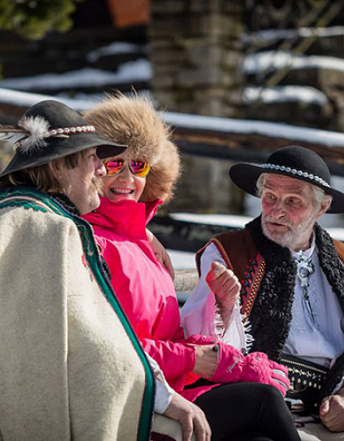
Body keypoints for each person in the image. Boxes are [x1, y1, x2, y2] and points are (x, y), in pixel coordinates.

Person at [0, 100, 191, 441]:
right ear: (58, 167)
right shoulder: (42, 233)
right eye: (93, 158)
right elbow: (88, 345)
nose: (101, 170)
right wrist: (163, 395)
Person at [82, 94, 301, 441]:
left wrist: (224, 334)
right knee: (264, 401)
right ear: (92, 168)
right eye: (113, 163)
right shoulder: (89, 242)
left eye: (138, 165)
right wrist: (202, 360)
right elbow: (108, 345)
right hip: (128, 401)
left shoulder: (143, 243)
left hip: (168, 390)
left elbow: (166, 335)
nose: (126, 177)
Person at [182, 146, 344, 440]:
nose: (276, 211)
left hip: (332, 412)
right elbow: (201, 347)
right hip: (260, 413)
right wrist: (225, 308)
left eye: (293, 201)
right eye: (269, 197)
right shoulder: (228, 253)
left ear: (322, 207)